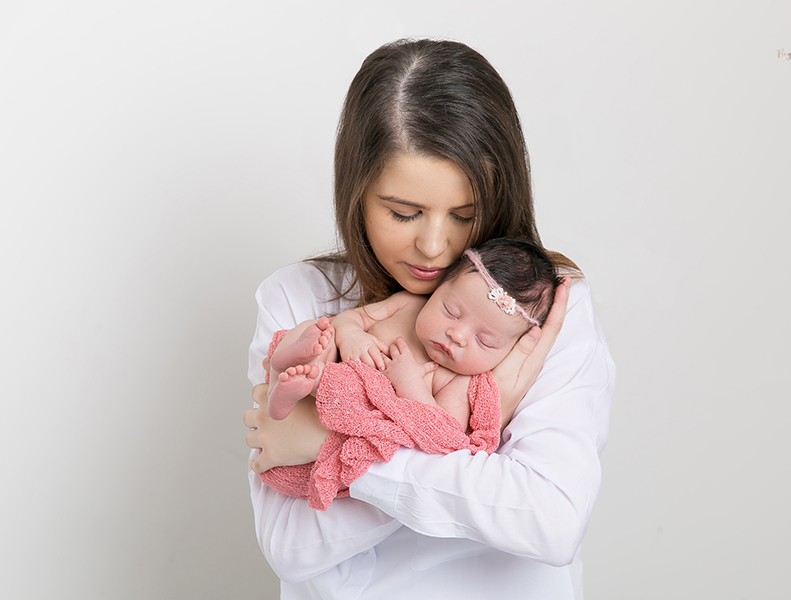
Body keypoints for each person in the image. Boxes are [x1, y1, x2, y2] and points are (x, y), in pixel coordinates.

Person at [243, 38, 615, 599]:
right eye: (403, 213)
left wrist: (335, 443)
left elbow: (551, 520)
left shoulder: (538, 310)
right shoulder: (299, 299)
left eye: (465, 215)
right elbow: (292, 548)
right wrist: (467, 456)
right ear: (357, 194)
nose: (434, 246)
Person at [266, 237, 561, 430]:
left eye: (485, 341)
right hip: (335, 361)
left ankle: (302, 383)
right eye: (451, 312)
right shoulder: (408, 304)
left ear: (509, 350)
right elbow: (352, 318)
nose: (457, 335)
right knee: (319, 331)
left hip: (357, 407)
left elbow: (442, 429)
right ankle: (291, 361)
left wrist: (409, 383)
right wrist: (352, 336)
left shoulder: (459, 381)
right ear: (438, 288)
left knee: (349, 390)